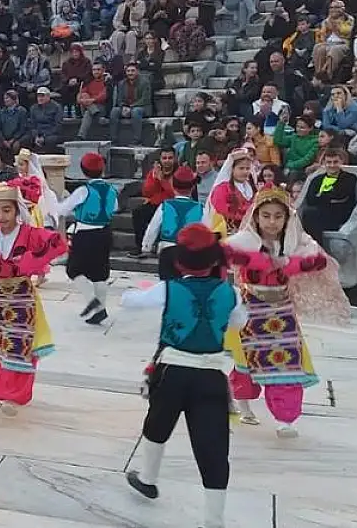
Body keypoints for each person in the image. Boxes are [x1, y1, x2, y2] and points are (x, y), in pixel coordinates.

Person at [120, 224, 243, 528]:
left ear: (178, 262)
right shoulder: (231, 293)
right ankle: (214, 520)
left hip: (172, 370)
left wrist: (140, 290)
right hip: (211, 375)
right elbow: (239, 324)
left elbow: (129, 301)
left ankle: (148, 478)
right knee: (212, 445)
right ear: (215, 261)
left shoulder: (168, 289)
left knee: (157, 423)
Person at [224, 186, 350, 436]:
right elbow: (222, 253)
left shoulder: (296, 241)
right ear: (256, 216)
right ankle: (243, 402)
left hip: (282, 312)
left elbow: (319, 260)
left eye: (278, 216)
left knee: (286, 363)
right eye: (266, 215)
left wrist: (293, 264)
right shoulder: (245, 241)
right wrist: (258, 261)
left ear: (287, 218)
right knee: (247, 362)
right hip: (251, 311)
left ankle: (286, 419)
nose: (272, 222)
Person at [0, 183, 67, 413]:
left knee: (22, 343)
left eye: (6, 210)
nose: (1, 216)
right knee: (0, 342)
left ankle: (16, 394)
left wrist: (27, 262)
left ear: (17, 210)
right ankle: (3, 390)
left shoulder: (29, 233)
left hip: (22, 295)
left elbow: (56, 243)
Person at [53, 152, 119, 325]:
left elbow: (62, 210)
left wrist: (55, 202)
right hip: (105, 233)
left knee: (73, 269)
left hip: (85, 234)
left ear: (83, 171)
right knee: (100, 273)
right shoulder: (112, 189)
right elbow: (115, 207)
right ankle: (101, 309)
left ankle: (92, 300)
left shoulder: (84, 190)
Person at [142, 166, 202, 279]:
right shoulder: (201, 208)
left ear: (173, 185)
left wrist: (146, 246)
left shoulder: (165, 205)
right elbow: (206, 231)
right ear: (193, 186)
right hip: (189, 252)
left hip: (167, 250)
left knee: (166, 285)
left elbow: (153, 227)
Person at [204, 149, 256, 237]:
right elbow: (221, 211)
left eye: (247, 168)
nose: (245, 171)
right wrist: (245, 218)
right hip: (227, 233)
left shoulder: (252, 188)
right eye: (241, 168)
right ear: (231, 169)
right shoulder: (222, 189)